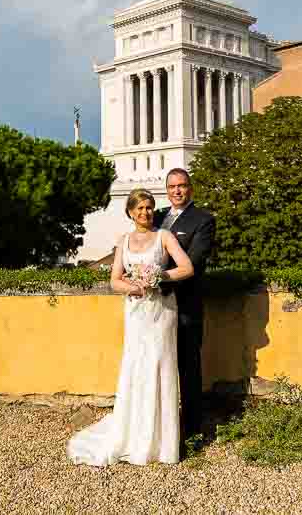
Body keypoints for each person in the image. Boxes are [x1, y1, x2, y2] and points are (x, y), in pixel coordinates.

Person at [67, 188, 194, 466]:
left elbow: (186, 268)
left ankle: (163, 444)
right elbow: (115, 280)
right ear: (130, 212)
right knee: (136, 367)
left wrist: (159, 276)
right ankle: (134, 435)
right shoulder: (123, 241)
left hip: (161, 312)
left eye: (149, 207)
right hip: (136, 313)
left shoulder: (165, 237)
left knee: (159, 366)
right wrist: (132, 288)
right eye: (139, 209)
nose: (145, 213)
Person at [154, 168, 215, 446]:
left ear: (190, 188)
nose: (177, 191)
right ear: (166, 190)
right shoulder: (155, 217)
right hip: (154, 308)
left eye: (182, 186)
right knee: (157, 364)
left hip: (185, 304)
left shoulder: (203, 220)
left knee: (188, 365)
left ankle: (191, 428)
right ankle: (160, 424)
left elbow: (194, 262)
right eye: (172, 186)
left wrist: (156, 281)